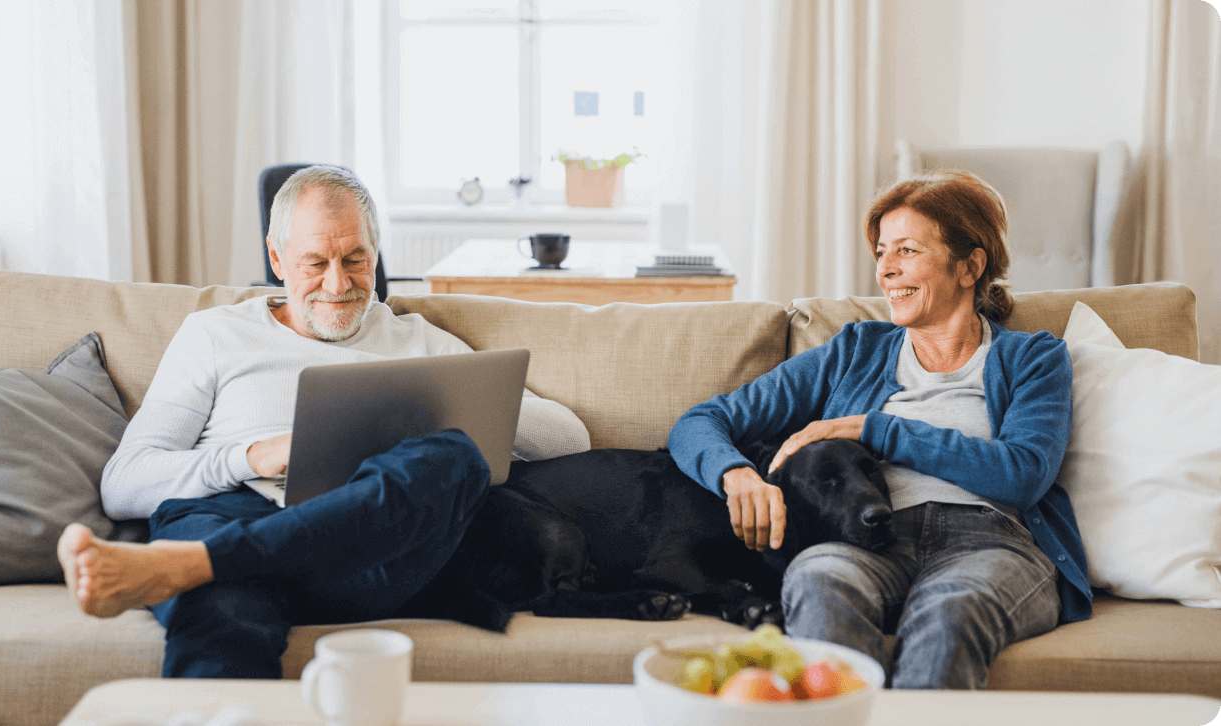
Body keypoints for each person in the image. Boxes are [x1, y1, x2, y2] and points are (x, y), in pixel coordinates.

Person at [56, 165, 591, 678]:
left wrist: (459, 399)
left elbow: (571, 438)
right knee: (224, 619)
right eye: (316, 263)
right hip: (230, 511)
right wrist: (250, 457)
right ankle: (216, 564)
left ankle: (197, 564)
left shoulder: (418, 340)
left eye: (356, 259)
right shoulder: (214, 334)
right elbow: (124, 483)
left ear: (376, 253)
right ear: (276, 257)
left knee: (451, 457)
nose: (339, 285)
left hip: (364, 545)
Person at [667, 170, 1091, 689]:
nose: (886, 270)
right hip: (865, 542)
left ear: (970, 265)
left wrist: (877, 428)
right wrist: (737, 476)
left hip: (989, 544)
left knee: (952, 610)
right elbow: (701, 422)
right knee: (818, 580)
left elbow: (1022, 473)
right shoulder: (856, 350)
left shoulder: (1031, 357)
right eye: (881, 253)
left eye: (907, 251)